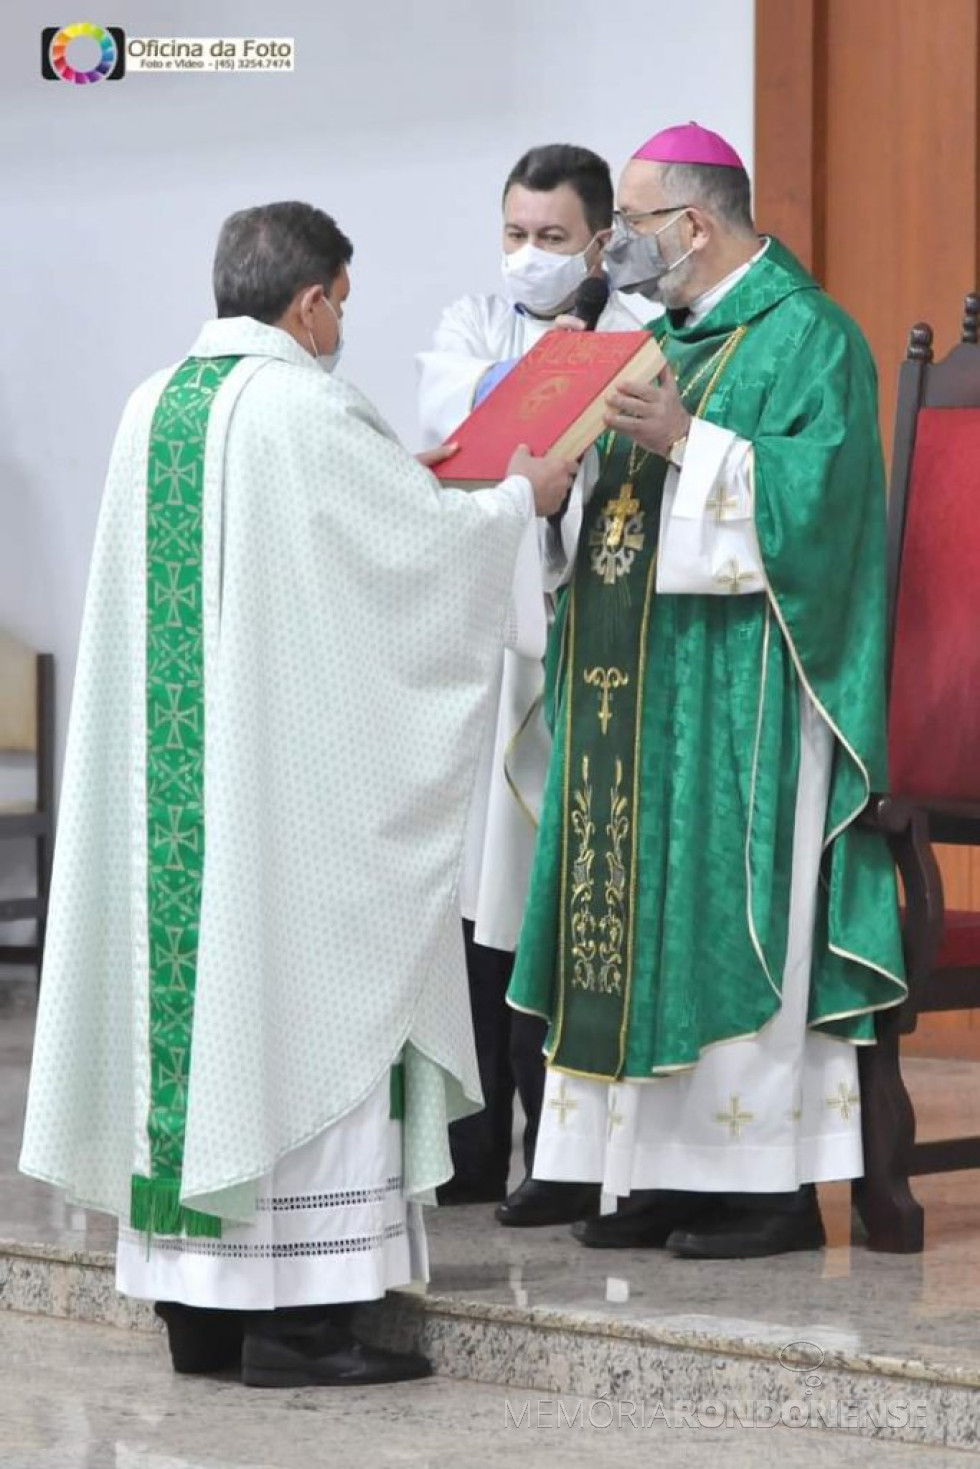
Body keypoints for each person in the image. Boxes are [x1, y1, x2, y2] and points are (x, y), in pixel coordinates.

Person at [19, 201, 575, 1387]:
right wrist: (515, 502)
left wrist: (417, 491)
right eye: (343, 305)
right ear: (313, 297)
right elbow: (415, 558)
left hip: (180, 812)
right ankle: (298, 1321)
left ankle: (201, 1315)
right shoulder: (303, 406)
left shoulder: (153, 406)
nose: (340, 327)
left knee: (193, 1032)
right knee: (301, 1011)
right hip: (278, 816)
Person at [507, 122, 907, 1259]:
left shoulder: (809, 335)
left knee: (729, 910)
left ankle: (762, 1185)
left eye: (628, 223)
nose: (614, 246)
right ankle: (659, 1174)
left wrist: (693, 442)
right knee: (632, 918)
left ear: (691, 224)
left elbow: (819, 511)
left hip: (747, 690)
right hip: (631, 685)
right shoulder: (654, 341)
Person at [417, 145, 651, 1229]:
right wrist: (556, 384)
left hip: (590, 650)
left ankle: (556, 1150)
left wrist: (587, 375)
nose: (527, 255)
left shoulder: (637, 330)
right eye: (514, 232)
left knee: (555, 895)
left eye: (552, 238)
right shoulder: (472, 321)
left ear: (600, 238)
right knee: (478, 902)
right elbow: (458, 427)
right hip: (490, 643)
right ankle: (470, 1146)